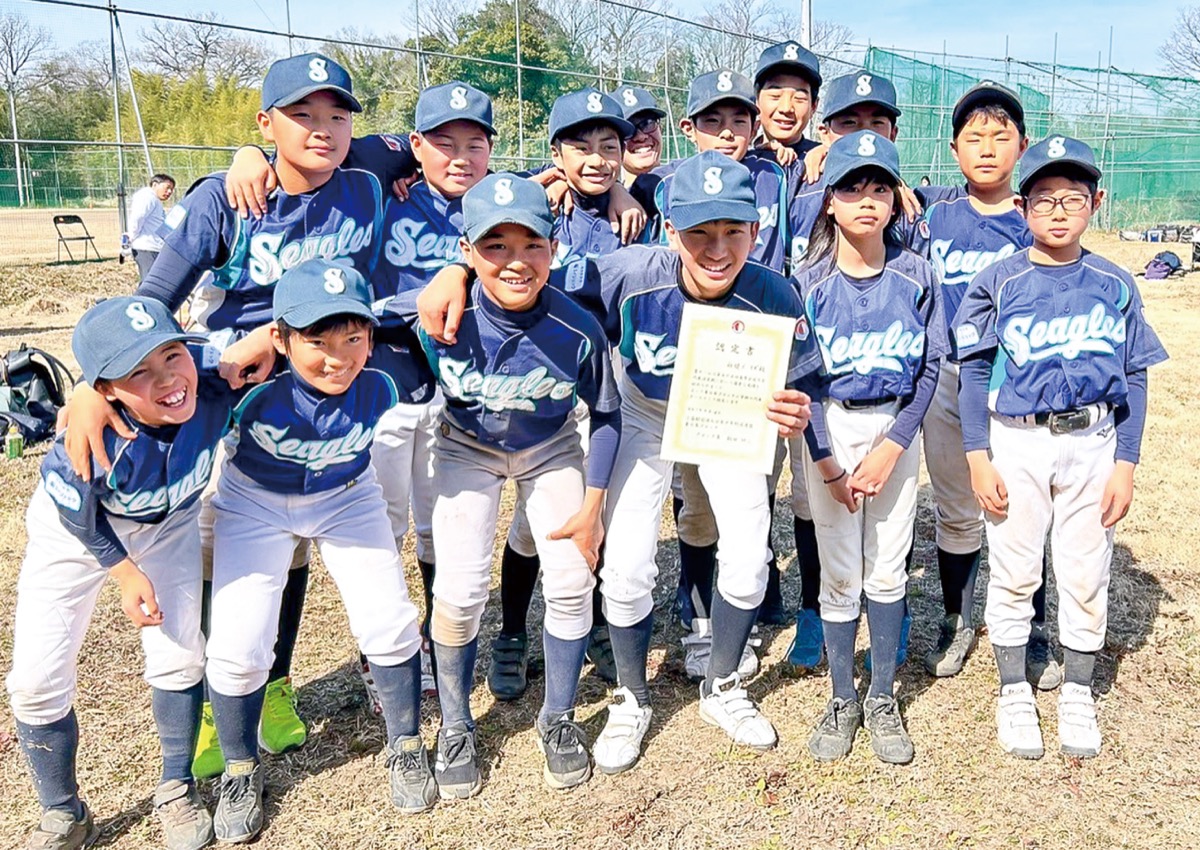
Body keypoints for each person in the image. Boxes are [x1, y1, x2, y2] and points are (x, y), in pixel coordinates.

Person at [417, 151, 819, 773]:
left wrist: (796, 407)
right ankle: (632, 696)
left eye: (732, 231)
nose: (716, 249)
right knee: (626, 566)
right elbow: (526, 271)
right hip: (643, 412)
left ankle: (722, 685)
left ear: (756, 230)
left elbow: (803, 380)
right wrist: (455, 270)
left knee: (748, 556)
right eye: (699, 232)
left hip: (724, 412)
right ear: (669, 230)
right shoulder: (630, 271)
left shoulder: (773, 290)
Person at [67, 52, 396, 779]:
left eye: (336, 115)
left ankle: (273, 682)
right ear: (265, 123)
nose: (322, 129)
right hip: (226, 387)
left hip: (317, 384)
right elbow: (150, 301)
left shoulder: (367, 177)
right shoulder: (226, 198)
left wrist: (572, 180)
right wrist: (93, 384)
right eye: (300, 115)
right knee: (223, 549)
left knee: (295, 547)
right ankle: (222, 698)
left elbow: (442, 153)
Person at [386, 173, 621, 795]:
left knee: (571, 579)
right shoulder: (440, 309)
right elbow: (355, 319)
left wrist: (594, 502)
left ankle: (558, 716)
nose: (516, 261)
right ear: (466, 250)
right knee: (460, 590)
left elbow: (607, 414)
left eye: (531, 244)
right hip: (466, 447)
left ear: (554, 248)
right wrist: (447, 277)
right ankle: (457, 724)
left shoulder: (576, 326)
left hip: (550, 448)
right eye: (495, 246)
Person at [953, 135, 1167, 759]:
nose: (1057, 210)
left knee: (1084, 569)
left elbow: (1135, 374)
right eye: (1043, 198)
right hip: (1017, 439)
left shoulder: (1114, 281)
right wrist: (976, 455)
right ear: (1021, 207)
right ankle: (1013, 688)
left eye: (1072, 197)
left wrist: (1126, 462)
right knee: (1015, 567)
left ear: (1096, 203)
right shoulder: (998, 280)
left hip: (1094, 441)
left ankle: (1076, 688)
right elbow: (973, 373)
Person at [204, 259, 430, 841]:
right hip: (253, 501)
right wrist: (86, 396)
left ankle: (406, 744)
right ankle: (239, 769)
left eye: (352, 338)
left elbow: (431, 306)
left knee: (389, 620)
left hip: (346, 494)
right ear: (280, 339)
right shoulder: (246, 378)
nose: (338, 357)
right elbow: (166, 370)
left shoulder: (387, 373)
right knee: (239, 645)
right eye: (317, 341)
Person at [7, 296, 239, 850]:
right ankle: (63, 812)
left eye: (172, 355)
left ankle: (176, 786)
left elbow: (261, 347)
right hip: (77, 534)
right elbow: (76, 514)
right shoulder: (90, 436)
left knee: (180, 652)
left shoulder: (209, 377)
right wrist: (125, 572)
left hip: (168, 524)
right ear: (106, 389)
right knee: (35, 681)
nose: (168, 379)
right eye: (138, 372)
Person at [795, 132, 944, 766]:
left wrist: (894, 446)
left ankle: (881, 695)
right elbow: (799, 382)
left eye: (879, 187)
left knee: (886, 565)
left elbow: (930, 368)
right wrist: (827, 462)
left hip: (894, 425)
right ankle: (842, 697)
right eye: (851, 186)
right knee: (839, 570)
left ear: (895, 200)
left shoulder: (917, 275)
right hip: (829, 425)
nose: (865, 199)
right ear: (828, 201)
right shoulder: (807, 281)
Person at [907, 82, 1048, 683]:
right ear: (953, 149)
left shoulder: (1033, 217)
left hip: (1016, 381)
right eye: (974, 137)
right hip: (949, 374)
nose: (987, 148)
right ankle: (958, 618)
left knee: (1024, 506)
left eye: (1000, 136)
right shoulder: (932, 212)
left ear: (1023, 145)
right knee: (957, 505)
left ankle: (1032, 625)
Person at [779, 70, 907, 674]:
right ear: (825, 129)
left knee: (887, 533)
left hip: (886, 392)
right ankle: (817, 610)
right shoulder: (794, 182)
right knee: (812, 503)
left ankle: (886, 626)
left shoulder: (906, 210)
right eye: (847, 122)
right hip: (813, 387)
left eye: (875, 122)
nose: (861, 132)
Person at [610, 85, 666, 187]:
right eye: (628, 129)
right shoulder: (610, 196)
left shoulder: (688, 183)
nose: (641, 137)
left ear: (660, 129)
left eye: (648, 123)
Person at [125, 174, 176, 280]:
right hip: (146, 248)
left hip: (153, 247)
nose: (169, 192)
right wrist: (130, 238)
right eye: (167, 187)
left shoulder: (154, 199)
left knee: (154, 281)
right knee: (149, 281)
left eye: (172, 189)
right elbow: (137, 218)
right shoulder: (147, 197)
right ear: (155, 185)